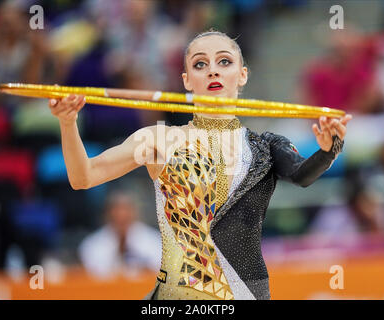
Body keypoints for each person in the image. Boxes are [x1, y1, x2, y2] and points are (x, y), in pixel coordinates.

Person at [48, 29, 352, 300]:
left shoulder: (265, 147)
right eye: (200, 64)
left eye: (224, 62)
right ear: (186, 81)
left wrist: (330, 149)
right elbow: (83, 177)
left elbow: (303, 175)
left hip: (245, 293)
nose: (212, 72)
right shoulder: (159, 141)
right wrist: (68, 122)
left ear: (242, 74)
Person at [78, 190, 161, 279]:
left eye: (126, 209)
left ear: (135, 212)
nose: (121, 215)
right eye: (116, 210)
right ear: (107, 214)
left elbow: (160, 271)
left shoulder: (155, 241)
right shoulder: (91, 244)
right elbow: (91, 273)